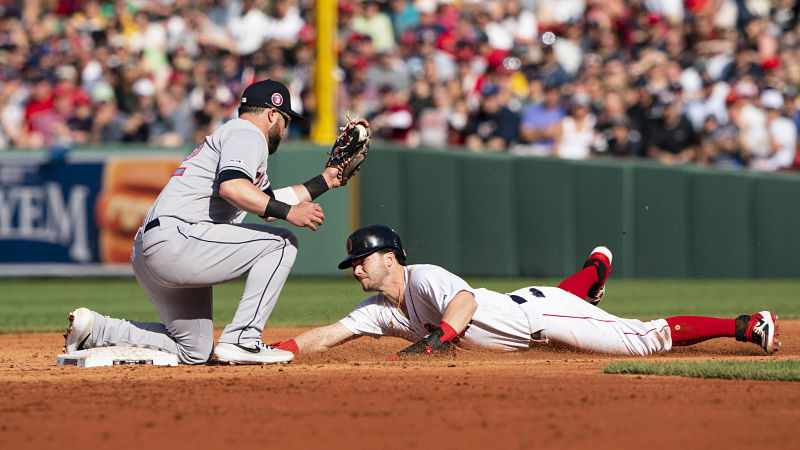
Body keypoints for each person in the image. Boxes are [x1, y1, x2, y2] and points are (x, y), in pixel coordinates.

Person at [64, 79, 347, 365]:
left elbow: (265, 204)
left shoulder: (235, 136)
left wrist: (325, 181)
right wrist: (291, 213)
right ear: (273, 114)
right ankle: (243, 338)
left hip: (155, 247)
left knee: (194, 349)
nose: (285, 130)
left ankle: (97, 330)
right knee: (282, 243)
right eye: (286, 120)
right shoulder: (248, 133)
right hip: (178, 239)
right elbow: (233, 188)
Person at [271, 224, 780, 358]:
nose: (355, 268)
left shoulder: (423, 276)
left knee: (643, 340)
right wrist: (272, 352)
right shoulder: (379, 309)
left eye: (361, 259)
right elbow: (329, 334)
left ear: (389, 257)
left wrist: (436, 339)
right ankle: (593, 272)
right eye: (352, 263)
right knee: (562, 296)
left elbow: (464, 304)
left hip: (544, 319)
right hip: (535, 302)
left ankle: (746, 324)